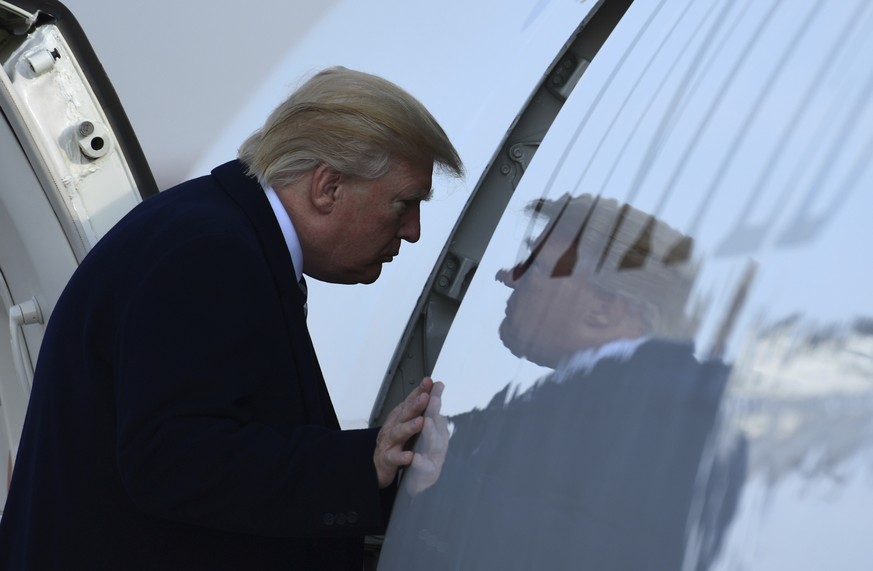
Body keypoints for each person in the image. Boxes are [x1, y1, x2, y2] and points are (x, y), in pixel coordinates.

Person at [0, 66, 463, 570]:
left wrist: (379, 467)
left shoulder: (216, 232)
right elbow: (172, 461)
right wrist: (361, 463)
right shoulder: (209, 252)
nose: (413, 231)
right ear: (327, 187)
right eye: (404, 204)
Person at [379, 194, 745, 570]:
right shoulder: (600, 398)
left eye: (535, 269)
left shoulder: (677, 414)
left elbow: (611, 553)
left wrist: (443, 485)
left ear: (604, 309)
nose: (508, 276)